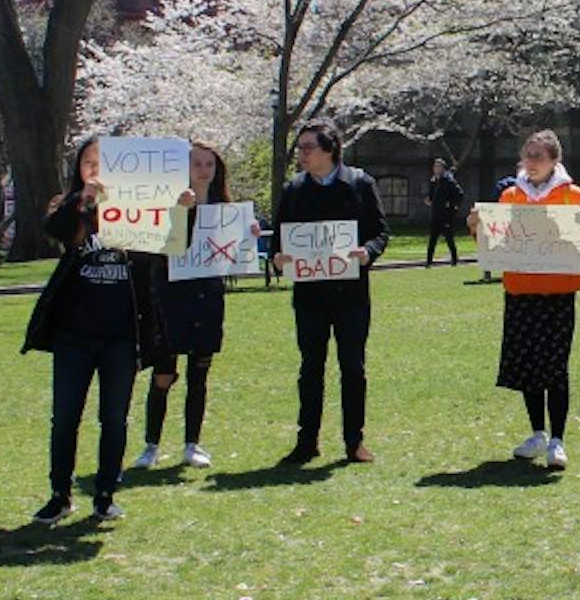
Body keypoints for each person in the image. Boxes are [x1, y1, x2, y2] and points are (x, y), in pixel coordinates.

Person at [21, 137, 165, 522]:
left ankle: (105, 492)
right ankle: (60, 493)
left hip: (121, 334)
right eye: (88, 163)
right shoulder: (72, 207)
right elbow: (56, 230)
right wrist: (84, 199)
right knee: (65, 416)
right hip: (74, 334)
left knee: (114, 417)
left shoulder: (140, 210)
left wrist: (180, 209)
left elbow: (168, 246)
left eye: (103, 163)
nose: (96, 170)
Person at [475, 130, 580, 470]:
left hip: (558, 294)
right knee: (527, 366)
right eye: (527, 155)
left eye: (539, 156)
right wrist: (476, 226)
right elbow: (495, 244)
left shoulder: (575, 197)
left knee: (555, 367)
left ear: (554, 161)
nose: (531, 162)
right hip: (520, 292)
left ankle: (558, 439)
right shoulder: (510, 197)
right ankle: (537, 434)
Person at [271, 118, 390, 465]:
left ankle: (354, 442)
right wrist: (278, 259)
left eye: (308, 147)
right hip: (309, 297)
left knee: (353, 368)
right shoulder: (294, 190)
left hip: (351, 296)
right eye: (300, 147)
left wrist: (367, 252)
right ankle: (307, 441)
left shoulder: (359, 184)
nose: (301, 154)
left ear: (330, 149)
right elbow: (279, 238)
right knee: (310, 368)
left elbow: (381, 232)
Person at [135, 142, 246, 471]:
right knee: (164, 374)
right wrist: (180, 212)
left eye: (209, 164)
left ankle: (191, 444)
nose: (203, 170)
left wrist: (248, 235)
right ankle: (151, 445)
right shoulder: (169, 204)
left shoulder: (224, 207)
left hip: (207, 297)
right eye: (196, 163)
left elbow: (234, 253)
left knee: (200, 371)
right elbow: (160, 247)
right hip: (171, 296)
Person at [426, 157, 465, 266]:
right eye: (435, 166)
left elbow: (459, 195)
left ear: (443, 168)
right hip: (435, 214)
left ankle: (454, 260)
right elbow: (431, 195)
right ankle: (429, 262)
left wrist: (451, 205)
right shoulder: (433, 181)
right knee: (432, 239)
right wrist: (429, 200)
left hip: (446, 215)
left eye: (438, 167)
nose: (436, 169)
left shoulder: (449, 181)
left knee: (449, 238)